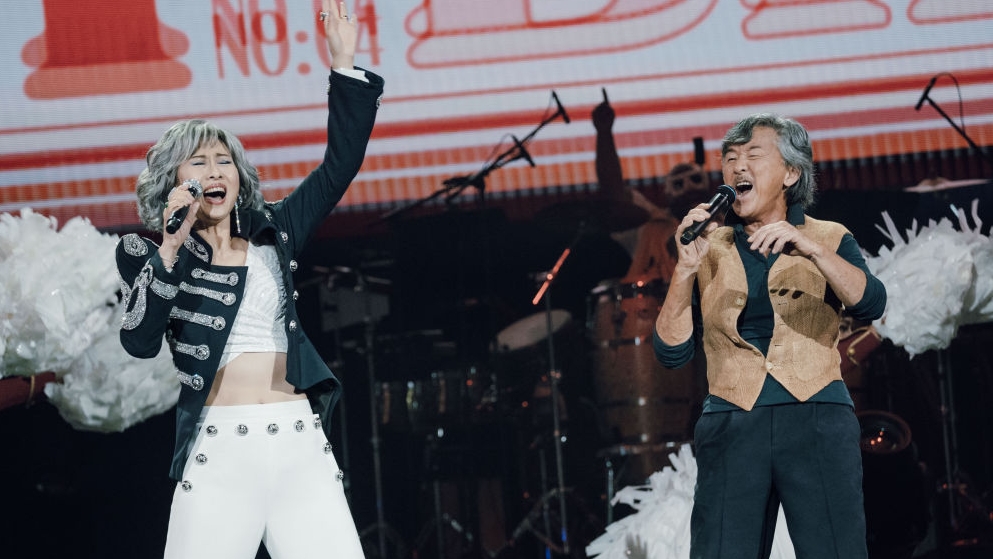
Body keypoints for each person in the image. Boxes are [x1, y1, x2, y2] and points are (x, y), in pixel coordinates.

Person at [115, 2, 383, 557]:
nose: (215, 171)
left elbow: (339, 166)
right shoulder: (150, 253)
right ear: (173, 180)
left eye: (224, 161)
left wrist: (343, 63)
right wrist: (171, 244)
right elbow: (138, 341)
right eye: (198, 163)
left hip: (298, 445)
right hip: (220, 454)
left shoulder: (275, 231)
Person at [653, 113, 886, 558]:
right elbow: (671, 352)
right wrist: (684, 269)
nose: (738, 166)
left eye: (753, 155)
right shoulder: (707, 247)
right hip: (731, 422)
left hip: (816, 416)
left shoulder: (829, 236)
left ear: (791, 173)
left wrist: (812, 250)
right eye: (730, 158)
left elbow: (871, 303)